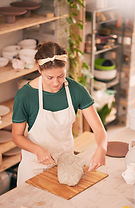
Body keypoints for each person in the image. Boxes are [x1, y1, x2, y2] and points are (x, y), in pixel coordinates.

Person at [12, 41, 107, 186]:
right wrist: (38, 150)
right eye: (49, 77)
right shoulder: (25, 95)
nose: (56, 83)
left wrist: (102, 148)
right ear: (38, 68)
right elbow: (16, 136)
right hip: (34, 167)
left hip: (66, 164)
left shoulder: (76, 90)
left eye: (61, 76)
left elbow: (99, 129)